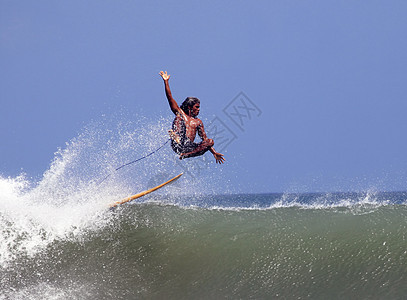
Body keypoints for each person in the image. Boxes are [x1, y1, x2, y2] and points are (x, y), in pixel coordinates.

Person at [159, 70, 225, 164]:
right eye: (197, 107)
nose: (198, 109)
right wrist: (166, 81)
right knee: (179, 117)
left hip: (188, 147)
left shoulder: (198, 122)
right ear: (190, 106)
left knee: (210, 141)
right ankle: (176, 136)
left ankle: (185, 155)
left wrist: (214, 153)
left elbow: (204, 139)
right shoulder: (181, 113)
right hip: (178, 142)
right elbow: (170, 97)